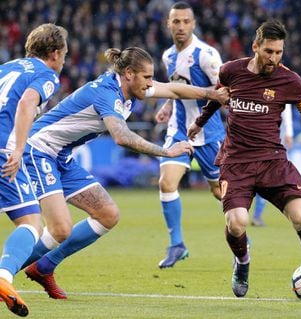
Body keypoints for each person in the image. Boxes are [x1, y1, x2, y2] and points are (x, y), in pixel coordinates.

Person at [20, 46, 228, 299]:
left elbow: (173, 89)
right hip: (38, 151)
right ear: (129, 73)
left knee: (107, 214)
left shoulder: (130, 86)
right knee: (60, 228)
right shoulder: (107, 94)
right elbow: (121, 136)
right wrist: (167, 152)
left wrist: (210, 94)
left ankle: (44, 266)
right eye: (148, 77)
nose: (151, 84)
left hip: (60, 157)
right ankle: (3, 274)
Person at [188, 20, 301, 299]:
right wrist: (199, 123)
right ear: (255, 47)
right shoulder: (230, 71)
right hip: (236, 161)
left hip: (273, 161)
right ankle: (243, 262)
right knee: (237, 223)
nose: (273, 58)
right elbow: (216, 97)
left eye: (279, 52)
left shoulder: (289, 80)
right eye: (269, 51)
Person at [0, 23, 68, 317]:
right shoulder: (46, 74)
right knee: (30, 222)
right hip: (3, 150)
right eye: (64, 54)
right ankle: (3, 278)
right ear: (54, 53)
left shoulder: (7, 67)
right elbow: (27, 102)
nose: (65, 60)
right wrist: (17, 149)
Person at [154, 2, 225, 268]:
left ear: (193, 24)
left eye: (185, 21)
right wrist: (168, 104)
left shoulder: (207, 55)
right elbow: (177, 87)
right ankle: (176, 245)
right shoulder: (167, 56)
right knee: (166, 183)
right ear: (168, 24)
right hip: (178, 131)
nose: (181, 26)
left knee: (221, 193)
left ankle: (240, 236)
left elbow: (225, 89)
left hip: (209, 134)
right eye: (176, 21)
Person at [251, 104, 294, 227]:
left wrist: (289, 133)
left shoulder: (279, 88)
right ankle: (253, 215)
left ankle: (256, 215)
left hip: (272, 138)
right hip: (260, 138)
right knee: (263, 177)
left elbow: (286, 108)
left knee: (264, 177)